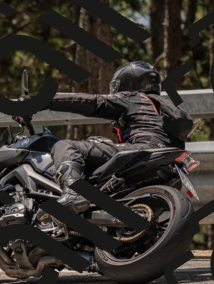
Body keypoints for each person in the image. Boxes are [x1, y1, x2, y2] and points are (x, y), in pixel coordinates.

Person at [42, 61, 185, 213]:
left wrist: (45, 100)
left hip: (145, 149)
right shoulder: (165, 108)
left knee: (65, 146)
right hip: (171, 164)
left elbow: (94, 102)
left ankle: (73, 193)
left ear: (127, 83)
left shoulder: (133, 98)